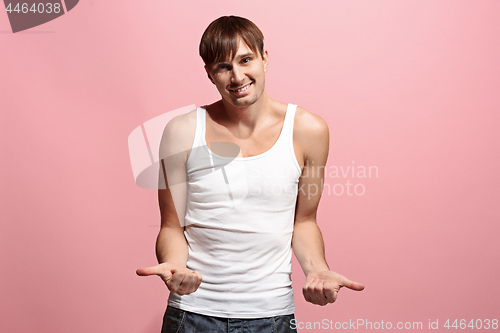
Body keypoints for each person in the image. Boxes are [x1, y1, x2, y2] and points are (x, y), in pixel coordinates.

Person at [136, 15, 364, 333]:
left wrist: (318, 270)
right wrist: (175, 267)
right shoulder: (182, 132)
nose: (237, 76)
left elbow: (304, 221)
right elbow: (172, 227)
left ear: (264, 58)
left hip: (272, 317)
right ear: (209, 74)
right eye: (223, 67)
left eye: (245, 60)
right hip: (193, 315)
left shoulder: (309, 130)